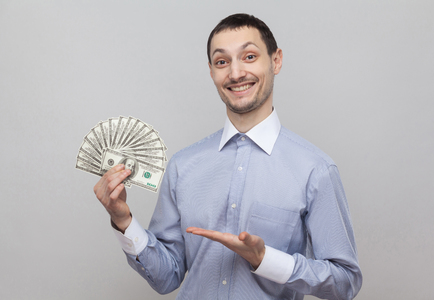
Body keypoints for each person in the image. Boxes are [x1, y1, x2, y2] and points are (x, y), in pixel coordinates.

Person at [94, 13, 362, 300]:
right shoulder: (183, 167)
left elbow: (345, 282)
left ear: (276, 61)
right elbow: (167, 278)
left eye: (249, 56)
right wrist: (123, 221)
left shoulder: (315, 170)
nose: (235, 73)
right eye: (222, 62)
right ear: (211, 72)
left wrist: (265, 259)